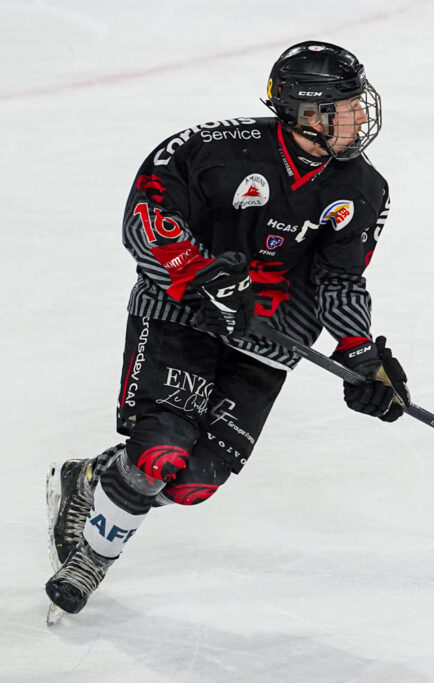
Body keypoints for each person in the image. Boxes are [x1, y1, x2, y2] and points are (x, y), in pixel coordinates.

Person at [44, 40, 409, 616]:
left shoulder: (364, 189)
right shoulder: (212, 151)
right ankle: (90, 559)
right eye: (345, 106)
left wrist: (361, 354)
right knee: (159, 453)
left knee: (193, 481)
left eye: (358, 102)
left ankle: (93, 477)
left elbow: (340, 279)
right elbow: (146, 220)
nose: (360, 115)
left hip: (271, 334)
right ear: (306, 113)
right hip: (181, 313)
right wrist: (199, 276)